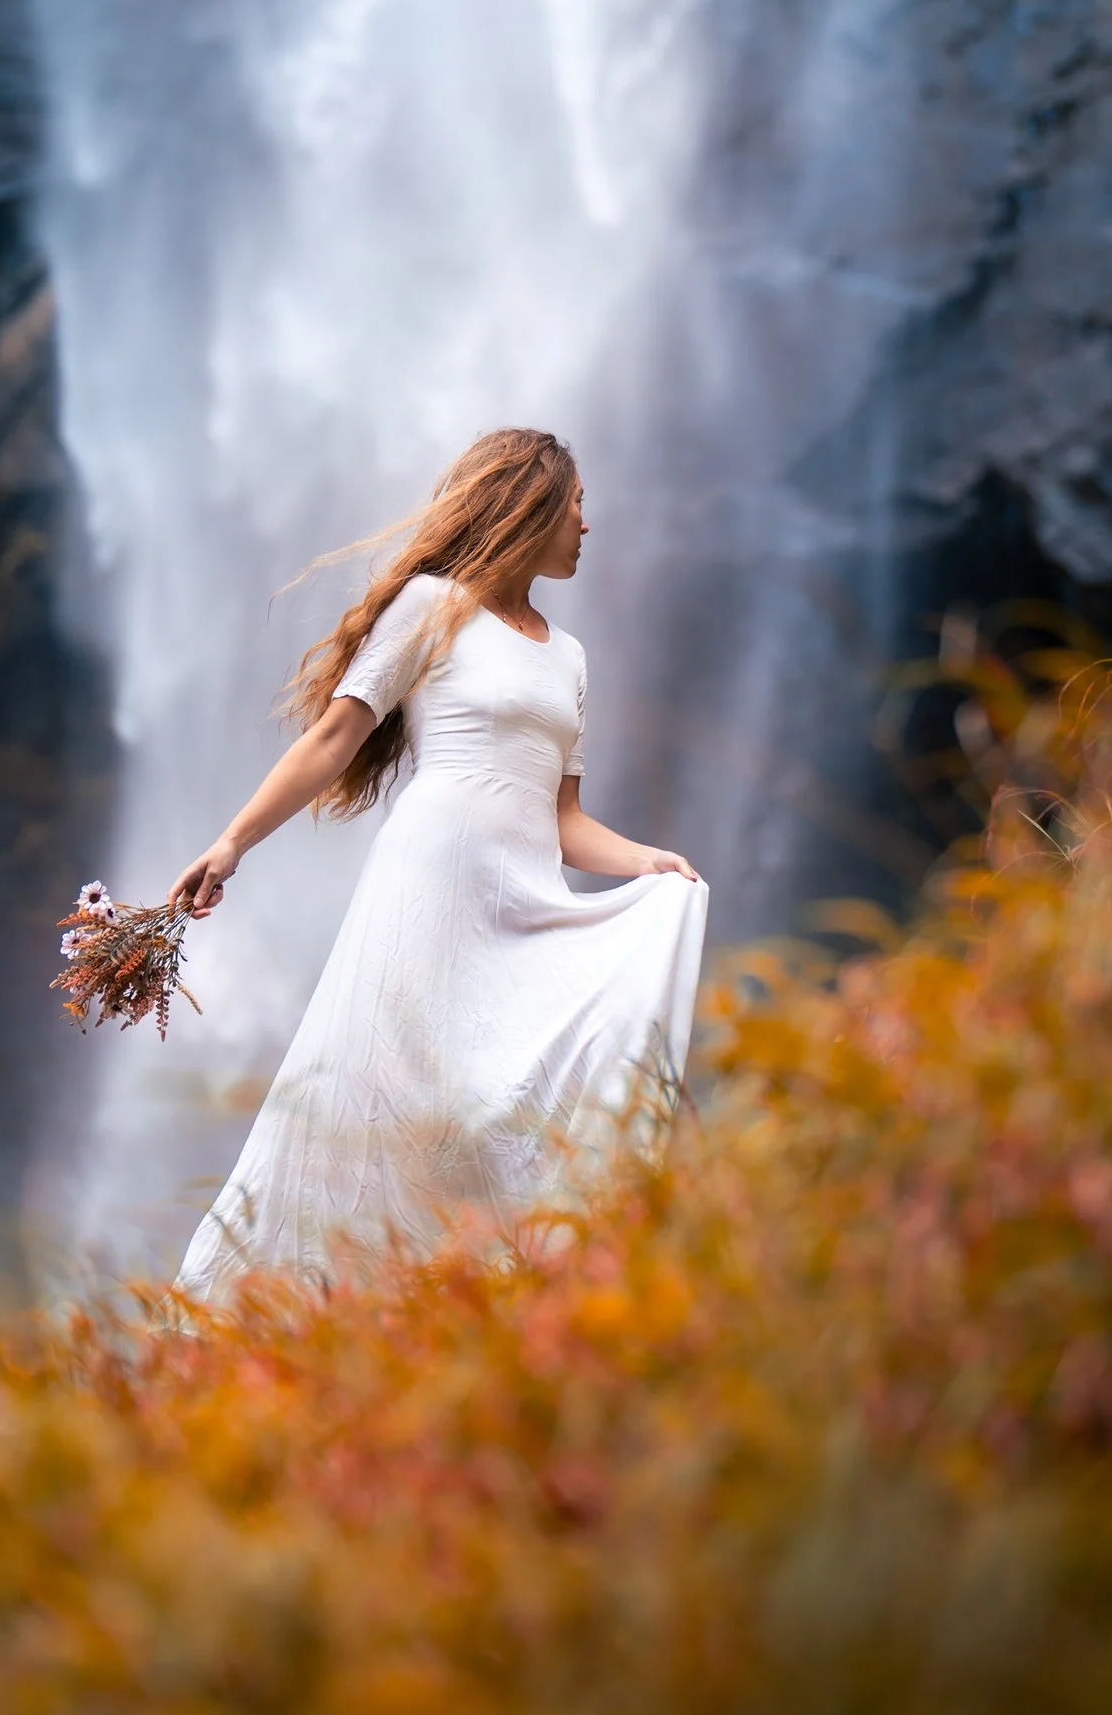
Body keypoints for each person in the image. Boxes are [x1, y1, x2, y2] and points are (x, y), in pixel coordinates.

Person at [167, 427, 707, 1288]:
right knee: (399, 1085)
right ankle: (308, 1294)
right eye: (576, 507)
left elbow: (563, 818)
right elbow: (336, 737)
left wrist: (648, 862)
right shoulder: (431, 606)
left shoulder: (568, 657)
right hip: (432, 878)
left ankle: (485, 1284)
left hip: (524, 892)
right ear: (527, 507)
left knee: (497, 1098)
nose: (586, 526)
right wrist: (232, 842)